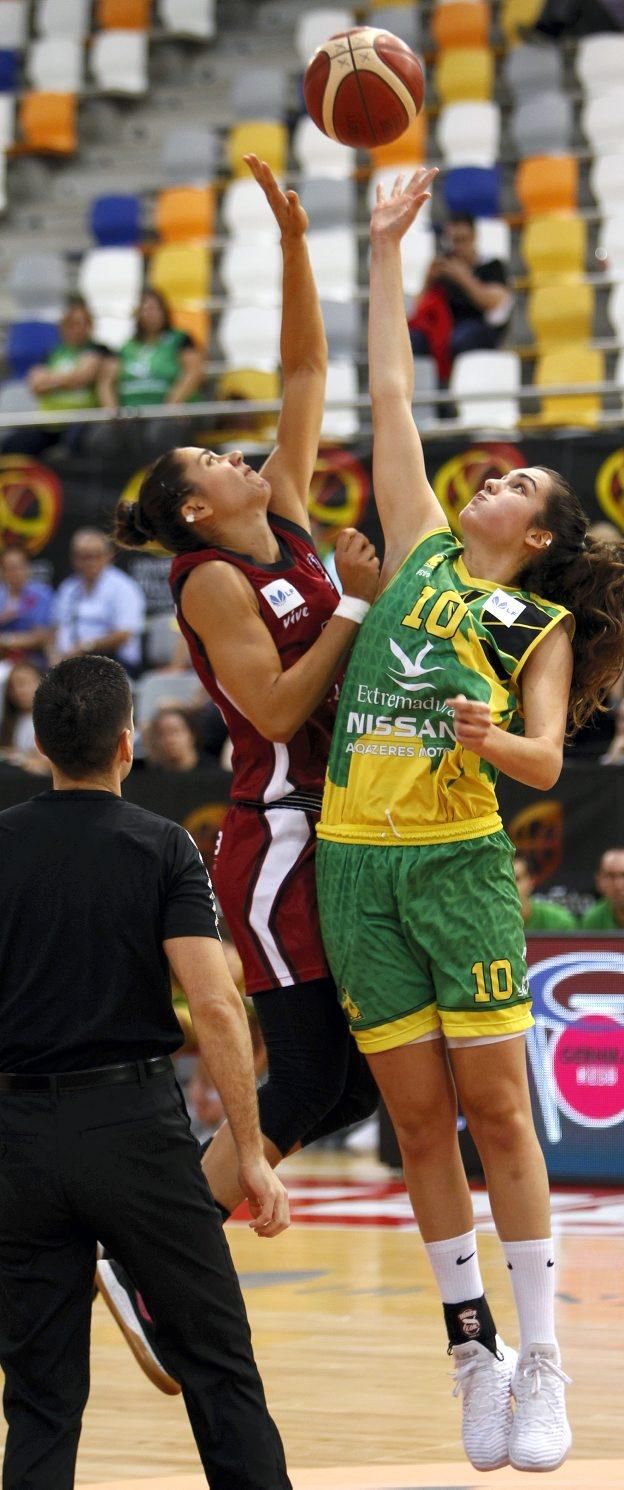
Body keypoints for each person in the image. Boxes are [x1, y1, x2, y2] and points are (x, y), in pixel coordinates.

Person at [315, 169, 624, 1475]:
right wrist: (386, 251)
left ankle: (544, 1358)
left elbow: (544, 761)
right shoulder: (413, 551)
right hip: (359, 868)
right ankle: (470, 1353)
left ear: (539, 528)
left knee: (499, 1115)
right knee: (413, 1125)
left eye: (517, 478)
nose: (494, 477)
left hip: (458, 868)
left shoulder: (535, 618)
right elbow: (391, 393)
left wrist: (494, 736)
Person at [108, 156, 379, 1390]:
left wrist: (292, 239)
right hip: (273, 835)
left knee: (342, 1077)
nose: (240, 453)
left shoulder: (288, 525)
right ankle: (157, 1256)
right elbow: (270, 703)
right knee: (313, 1078)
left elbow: (307, 371)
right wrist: (354, 613)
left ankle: (152, 1243)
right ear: (196, 511)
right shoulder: (213, 579)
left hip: (334, 822)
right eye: (216, 460)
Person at [0, 655, 291, 1490]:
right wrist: (250, 1150)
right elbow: (218, 1004)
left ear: (42, 745)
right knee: (218, 1369)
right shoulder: (159, 845)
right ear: (127, 746)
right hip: (132, 1132)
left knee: (41, 1401)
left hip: (16, 1138)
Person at [96, 287, 206, 465]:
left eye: (154, 309)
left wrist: (173, 403)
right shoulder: (125, 346)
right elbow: (106, 382)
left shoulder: (181, 339)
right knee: (102, 437)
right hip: (132, 413)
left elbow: (194, 372)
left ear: (164, 312)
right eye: (145, 309)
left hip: (168, 412)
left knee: (159, 434)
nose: (150, 314)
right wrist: (112, 411)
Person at [408, 213, 513, 385]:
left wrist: (464, 278)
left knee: (458, 340)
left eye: (462, 240)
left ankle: (454, 389)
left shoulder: (492, 266)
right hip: (444, 327)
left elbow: (494, 304)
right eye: (453, 240)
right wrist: (428, 280)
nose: (457, 247)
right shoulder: (443, 268)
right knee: (414, 340)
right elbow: (418, 308)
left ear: (473, 238)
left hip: (480, 326)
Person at [0, 297, 105, 458]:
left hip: (82, 421)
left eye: (81, 323)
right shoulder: (52, 353)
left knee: (74, 445)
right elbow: (35, 385)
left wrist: (50, 379)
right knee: (13, 445)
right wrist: (68, 379)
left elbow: (83, 377)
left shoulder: (98, 350)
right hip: (49, 423)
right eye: (71, 324)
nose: (76, 329)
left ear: (89, 326)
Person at [51, 528, 146, 676]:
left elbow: (124, 634)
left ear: (108, 556)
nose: (89, 562)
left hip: (114, 662)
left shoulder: (124, 587)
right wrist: (55, 656)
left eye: (95, 556)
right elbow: (57, 627)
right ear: (74, 559)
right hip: (70, 660)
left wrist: (85, 647)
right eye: (83, 557)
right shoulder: (68, 588)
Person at [0, 546, 54, 667]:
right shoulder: (1, 596)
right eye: (9, 568)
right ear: (2, 572)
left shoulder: (42, 594)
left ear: (27, 568)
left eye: (18, 567)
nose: (14, 573)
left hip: (33, 659)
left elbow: (41, 636)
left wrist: (6, 640)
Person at [0, 658, 48, 773]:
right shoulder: (11, 721)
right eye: (13, 686)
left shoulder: (54, 719)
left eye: (24, 683)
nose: (18, 691)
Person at [514, 852, 577, 932]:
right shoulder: (492, 925)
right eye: (503, 880)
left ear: (531, 882)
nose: (508, 887)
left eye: (516, 879)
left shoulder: (561, 923)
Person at [145, 705, 215, 772]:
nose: (170, 740)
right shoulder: (151, 775)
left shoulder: (213, 772)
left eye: (175, 731)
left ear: (192, 735)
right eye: (161, 734)